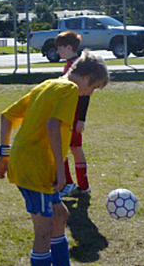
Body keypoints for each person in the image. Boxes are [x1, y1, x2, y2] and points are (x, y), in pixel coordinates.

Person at [0, 51, 109, 266]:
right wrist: (61, 170)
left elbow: (6, 116)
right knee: (44, 231)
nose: (90, 93)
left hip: (26, 161)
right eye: (93, 87)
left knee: (59, 215)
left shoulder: (48, 84)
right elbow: (53, 125)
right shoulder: (70, 90)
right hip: (37, 166)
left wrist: (4, 155)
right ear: (87, 77)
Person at [55, 31, 92, 197]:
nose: (57, 52)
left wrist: (81, 119)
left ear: (69, 47)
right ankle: (82, 187)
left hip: (72, 115)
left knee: (65, 148)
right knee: (74, 148)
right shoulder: (72, 63)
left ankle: (68, 184)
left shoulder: (76, 65)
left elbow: (86, 94)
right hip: (70, 114)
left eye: (59, 48)